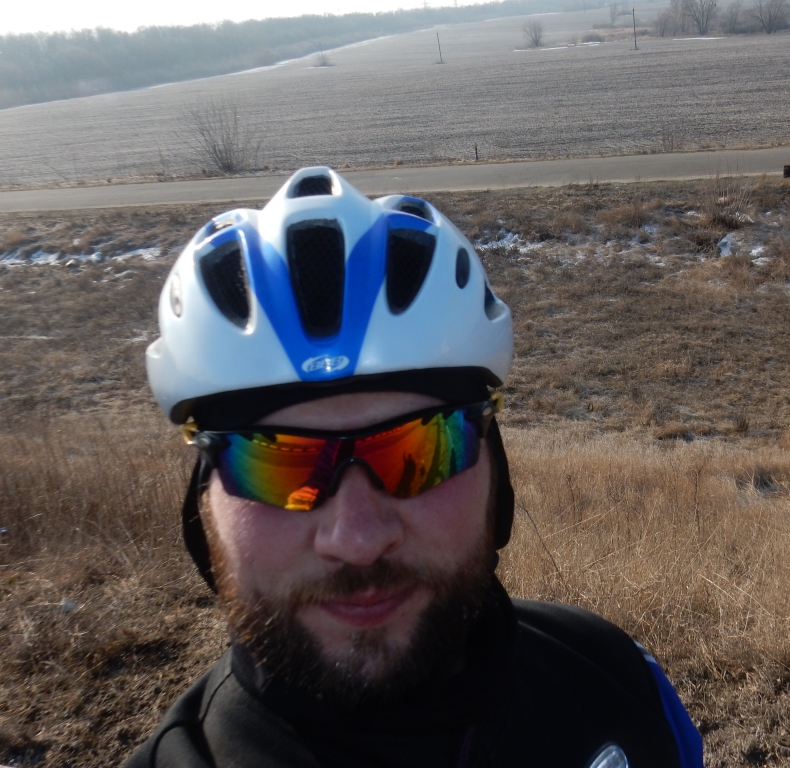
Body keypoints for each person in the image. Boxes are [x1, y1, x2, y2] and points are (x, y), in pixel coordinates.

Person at [126, 167, 703, 768]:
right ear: (203, 504)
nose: (358, 541)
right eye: (274, 463)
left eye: (418, 452)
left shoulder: (615, 677)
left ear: (496, 472)